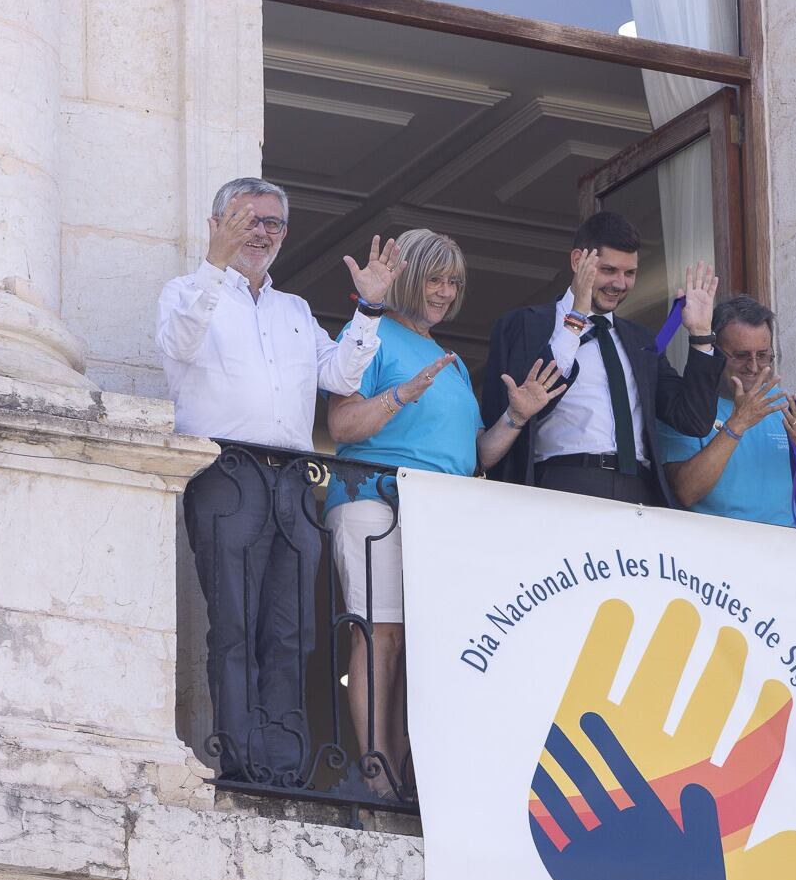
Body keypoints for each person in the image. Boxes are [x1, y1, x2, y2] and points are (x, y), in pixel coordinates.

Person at [157, 177, 384, 785]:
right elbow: (178, 342)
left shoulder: (294, 310)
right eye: (246, 220)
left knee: (292, 631)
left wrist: (368, 309)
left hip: (291, 481)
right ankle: (241, 760)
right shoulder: (187, 291)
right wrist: (215, 264)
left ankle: (281, 766)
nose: (260, 233)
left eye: (272, 224)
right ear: (217, 223)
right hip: (226, 472)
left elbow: (337, 375)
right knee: (234, 623)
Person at [323, 229, 564, 799]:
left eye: (452, 282)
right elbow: (342, 427)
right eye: (435, 278)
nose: (445, 292)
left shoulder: (448, 361)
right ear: (408, 278)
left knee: (419, 645)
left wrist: (516, 417)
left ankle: (409, 778)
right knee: (378, 635)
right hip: (374, 503)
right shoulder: (369, 335)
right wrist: (400, 396)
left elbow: (476, 455)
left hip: (441, 516)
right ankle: (377, 774)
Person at [478, 212, 724, 507]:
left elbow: (693, 420)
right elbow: (517, 409)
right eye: (609, 270)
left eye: (630, 273)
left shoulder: (640, 340)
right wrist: (575, 321)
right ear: (577, 261)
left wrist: (700, 335)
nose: (620, 284)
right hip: (561, 483)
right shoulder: (522, 325)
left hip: (638, 492)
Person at [657, 295, 796, 527]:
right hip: (714, 551)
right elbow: (686, 492)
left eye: (762, 355)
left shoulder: (784, 406)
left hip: (785, 552)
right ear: (714, 350)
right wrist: (737, 425)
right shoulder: (685, 404)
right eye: (741, 355)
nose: (753, 366)